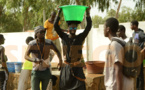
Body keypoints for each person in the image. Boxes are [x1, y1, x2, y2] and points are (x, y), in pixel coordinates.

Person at [54, 6, 92, 90]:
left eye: (75, 27)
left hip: (77, 68)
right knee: (64, 87)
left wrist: (88, 13)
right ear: (68, 28)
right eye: (71, 27)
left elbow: (88, 27)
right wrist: (59, 12)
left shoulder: (80, 37)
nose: (73, 29)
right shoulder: (64, 36)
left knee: (80, 87)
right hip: (66, 68)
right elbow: (55, 26)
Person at [25, 26, 62, 90]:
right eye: (41, 32)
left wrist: (60, 61)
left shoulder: (49, 42)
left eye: (44, 32)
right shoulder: (32, 44)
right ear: (36, 34)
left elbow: (57, 51)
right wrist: (34, 60)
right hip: (36, 72)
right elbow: (25, 56)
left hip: (46, 71)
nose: (43, 33)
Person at [104, 17, 134, 90]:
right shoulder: (118, 43)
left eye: (104, 27)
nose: (103, 30)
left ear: (108, 29)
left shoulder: (115, 44)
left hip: (117, 86)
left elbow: (118, 69)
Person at [130, 20, 145, 90]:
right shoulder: (134, 33)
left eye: (131, 25)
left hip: (139, 55)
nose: (130, 26)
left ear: (135, 25)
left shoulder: (141, 33)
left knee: (140, 74)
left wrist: (143, 50)